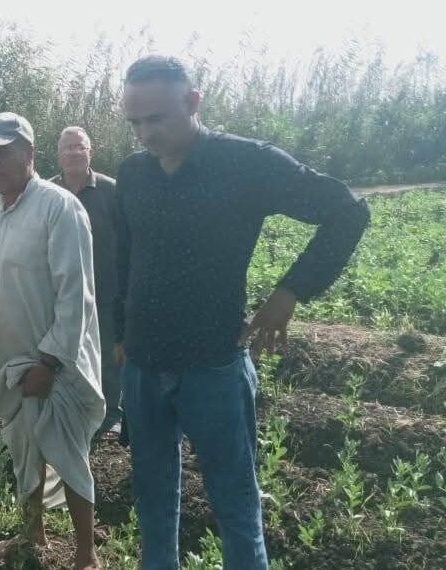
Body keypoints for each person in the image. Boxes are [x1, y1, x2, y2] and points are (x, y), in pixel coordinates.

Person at [114, 55, 370, 570]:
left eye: (156, 119)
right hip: (142, 366)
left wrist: (290, 291)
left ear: (192, 102)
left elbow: (348, 210)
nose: (144, 134)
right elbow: (126, 257)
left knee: (235, 503)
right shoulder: (133, 174)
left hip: (213, 365)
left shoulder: (246, 163)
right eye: (134, 122)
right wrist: (122, 333)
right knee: (153, 501)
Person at [0, 112, 104, 570]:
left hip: (56, 362)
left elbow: (74, 296)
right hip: (12, 357)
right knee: (24, 449)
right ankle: (31, 532)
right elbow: (1, 277)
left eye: (3, 151)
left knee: (68, 454)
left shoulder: (59, 207)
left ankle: (86, 553)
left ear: (29, 154)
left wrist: (49, 364)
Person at [50, 125, 123, 437]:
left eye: (80, 147)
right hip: (60, 289)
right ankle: (71, 405)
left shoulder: (111, 191)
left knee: (108, 352)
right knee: (64, 348)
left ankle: (110, 413)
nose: (74, 152)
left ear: (90, 152)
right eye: (68, 147)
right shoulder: (47, 192)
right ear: (58, 155)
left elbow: (126, 241)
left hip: (105, 290)